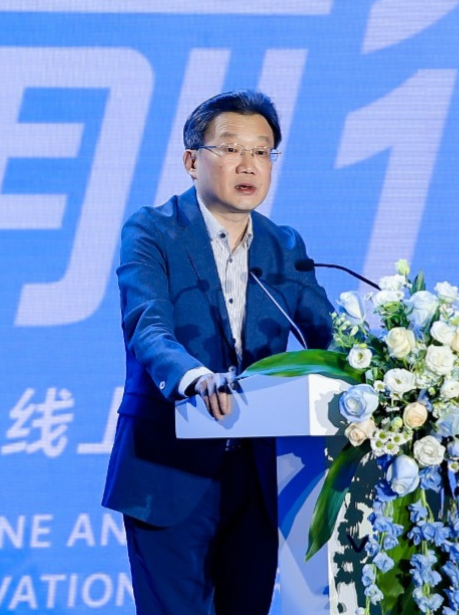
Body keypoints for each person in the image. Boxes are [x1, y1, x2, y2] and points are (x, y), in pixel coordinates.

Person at [102, 90, 333, 615]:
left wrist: (380, 373)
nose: (248, 165)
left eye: (262, 151)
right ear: (192, 161)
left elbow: (329, 335)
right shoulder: (153, 231)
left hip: (257, 475)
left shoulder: (284, 246)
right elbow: (148, 326)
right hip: (167, 466)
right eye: (231, 149)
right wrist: (195, 378)